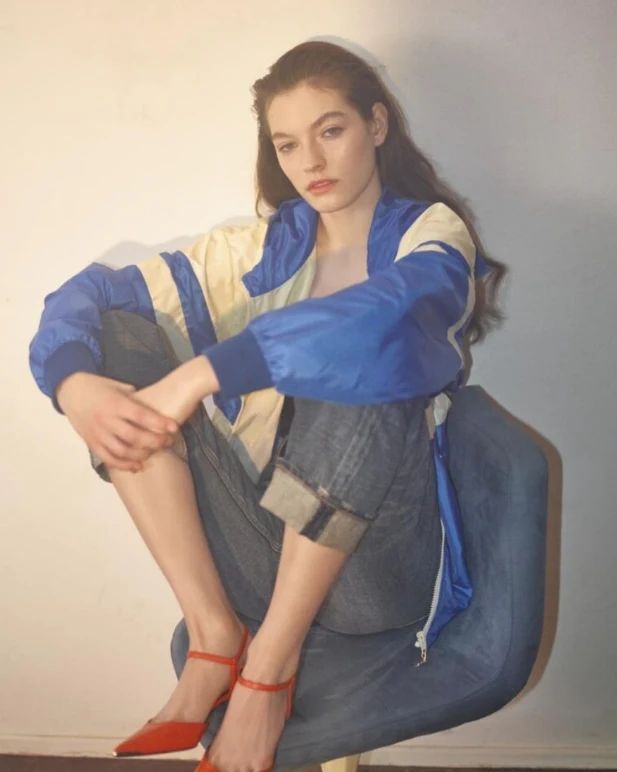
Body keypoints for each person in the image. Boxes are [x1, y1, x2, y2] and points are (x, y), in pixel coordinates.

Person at [28, 39, 506, 772]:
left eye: (330, 130)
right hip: (262, 551)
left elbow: (388, 316)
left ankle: (268, 673)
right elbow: (88, 296)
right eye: (287, 144)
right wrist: (72, 384)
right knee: (115, 335)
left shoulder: (429, 234)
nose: (310, 161)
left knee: (360, 360)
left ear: (376, 125)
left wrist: (201, 375)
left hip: (374, 571)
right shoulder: (258, 253)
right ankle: (215, 634)